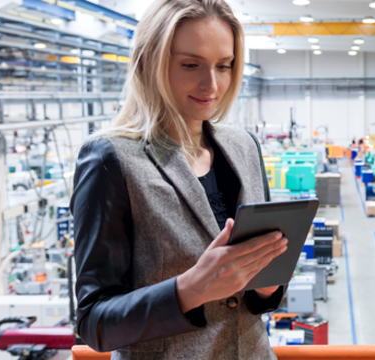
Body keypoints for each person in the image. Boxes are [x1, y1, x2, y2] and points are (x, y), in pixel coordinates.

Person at [70, 1, 286, 359]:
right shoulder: (112, 158)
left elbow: (251, 300)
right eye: (190, 65)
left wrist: (267, 285)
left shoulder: (244, 146)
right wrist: (190, 289)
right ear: (149, 61)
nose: (211, 84)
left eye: (224, 66)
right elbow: (95, 323)